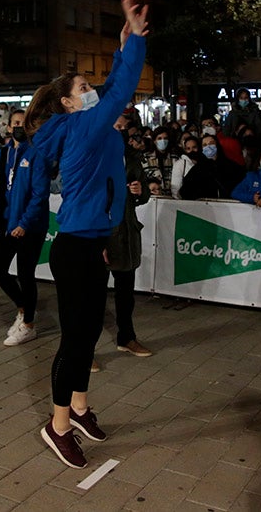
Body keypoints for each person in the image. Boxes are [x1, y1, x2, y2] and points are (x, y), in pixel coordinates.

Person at [25, 0, 147, 469]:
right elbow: (120, 90)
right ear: (69, 103)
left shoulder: (98, 130)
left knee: (91, 330)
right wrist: (135, 41)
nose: (92, 91)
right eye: (83, 87)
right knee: (76, 340)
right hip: (75, 247)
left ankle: (78, 409)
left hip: (93, 243)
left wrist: (121, 48)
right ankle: (57, 427)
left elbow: (114, 90)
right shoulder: (81, 127)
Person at [0, 109, 50, 347]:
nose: (19, 127)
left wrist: (25, 223)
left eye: (24, 123)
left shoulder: (37, 153)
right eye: (16, 123)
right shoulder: (4, 153)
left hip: (30, 225)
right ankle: (23, 308)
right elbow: (0, 189)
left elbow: (40, 194)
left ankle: (29, 325)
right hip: (8, 221)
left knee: (25, 274)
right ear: (9, 127)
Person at [105, 114, 153, 358]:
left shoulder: (132, 159)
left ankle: (127, 337)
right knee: (93, 296)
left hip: (126, 233)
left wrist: (139, 191)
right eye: (117, 126)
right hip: (102, 233)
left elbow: (143, 196)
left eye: (125, 128)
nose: (122, 131)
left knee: (125, 293)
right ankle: (84, 350)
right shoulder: (96, 157)